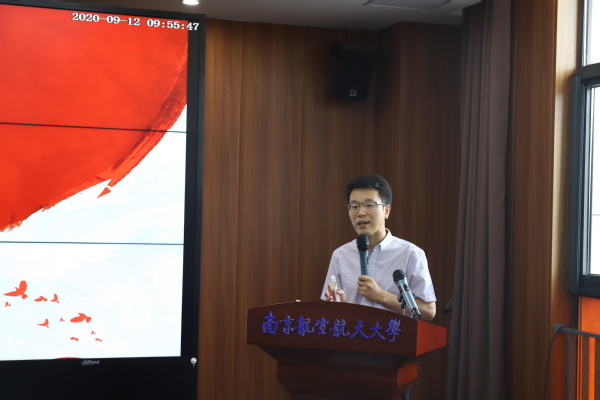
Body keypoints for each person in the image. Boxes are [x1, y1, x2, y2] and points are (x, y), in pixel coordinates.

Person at [321, 174, 437, 400]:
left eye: (368, 205)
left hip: (392, 360)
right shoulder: (341, 255)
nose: (360, 212)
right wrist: (337, 307)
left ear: (386, 210)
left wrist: (381, 296)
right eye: (354, 206)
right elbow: (329, 310)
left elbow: (428, 311)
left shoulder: (410, 254)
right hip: (348, 359)